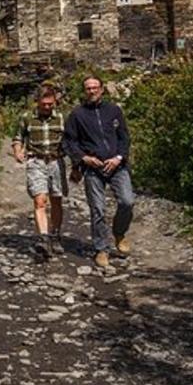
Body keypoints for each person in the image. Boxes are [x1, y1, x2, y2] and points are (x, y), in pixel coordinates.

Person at [62, 75, 135, 268]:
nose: (92, 91)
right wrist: (83, 158)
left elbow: (124, 138)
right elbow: (69, 141)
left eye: (95, 87)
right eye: (88, 88)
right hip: (93, 168)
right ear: (84, 91)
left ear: (102, 89)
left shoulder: (114, 111)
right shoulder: (77, 115)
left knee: (127, 201)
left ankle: (119, 233)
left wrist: (119, 157)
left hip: (117, 165)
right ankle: (101, 248)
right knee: (98, 209)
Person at [11, 84, 67, 260]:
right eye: (44, 104)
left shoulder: (61, 118)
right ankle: (43, 239)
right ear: (37, 102)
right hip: (36, 161)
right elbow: (18, 137)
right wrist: (18, 151)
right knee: (40, 200)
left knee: (56, 200)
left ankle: (55, 235)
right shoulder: (27, 117)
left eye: (51, 104)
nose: (48, 107)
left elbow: (70, 140)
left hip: (56, 161)